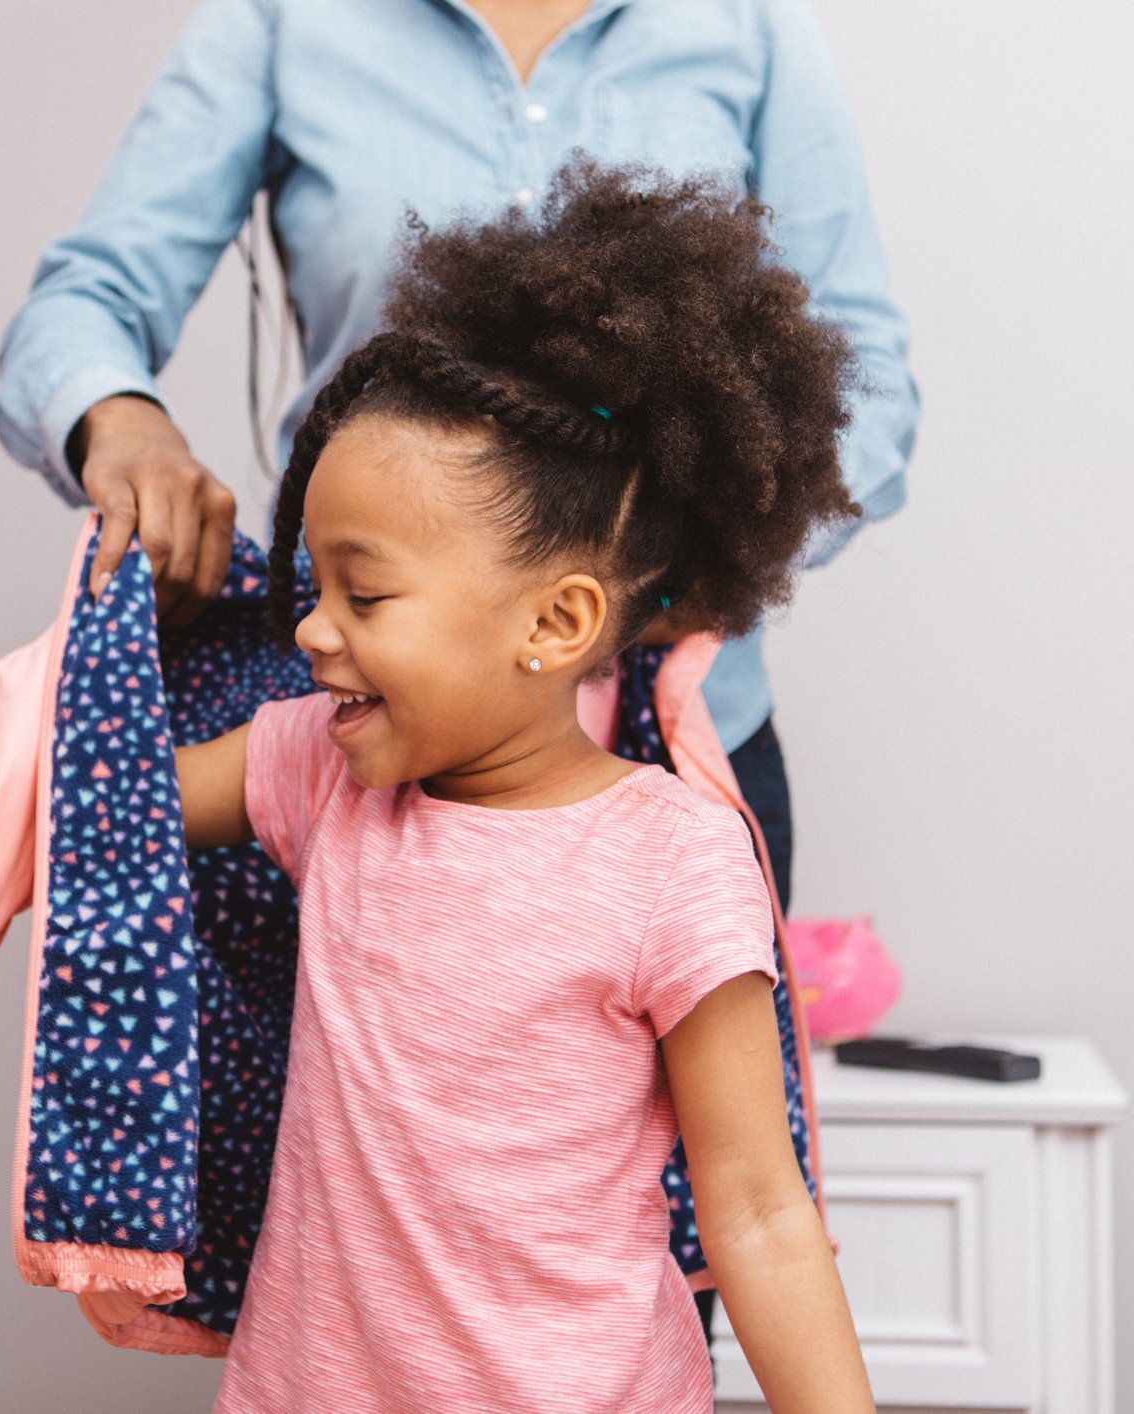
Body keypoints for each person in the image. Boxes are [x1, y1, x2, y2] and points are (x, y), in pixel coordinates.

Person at [97, 159, 868, 1410]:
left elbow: (761, 1212)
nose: (312, 629)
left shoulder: (674, 860)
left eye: (365, 592)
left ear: (555, 622)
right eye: (315, 585)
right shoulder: (313, 770)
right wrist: (112, 616)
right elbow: (90, 807)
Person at [0, 0, 920, 985]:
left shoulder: (750, 24)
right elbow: (85, 299)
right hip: (374, 754)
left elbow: (868, 385)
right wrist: (123, 419)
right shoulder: (282, 21)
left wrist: (671, 571)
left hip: (683, 738)